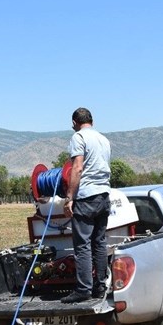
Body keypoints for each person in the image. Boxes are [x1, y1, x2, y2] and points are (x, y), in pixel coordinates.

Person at [61, 107, 112, 304]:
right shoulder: (103, 139)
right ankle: (99, 286)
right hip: (103, 195)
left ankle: (83, 289)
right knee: (99, 242)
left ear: (74, 122)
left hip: (86, 196)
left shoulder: (78, 137)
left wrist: (70, 197)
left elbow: (78, 167)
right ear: (92, 121)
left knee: (82, 245)